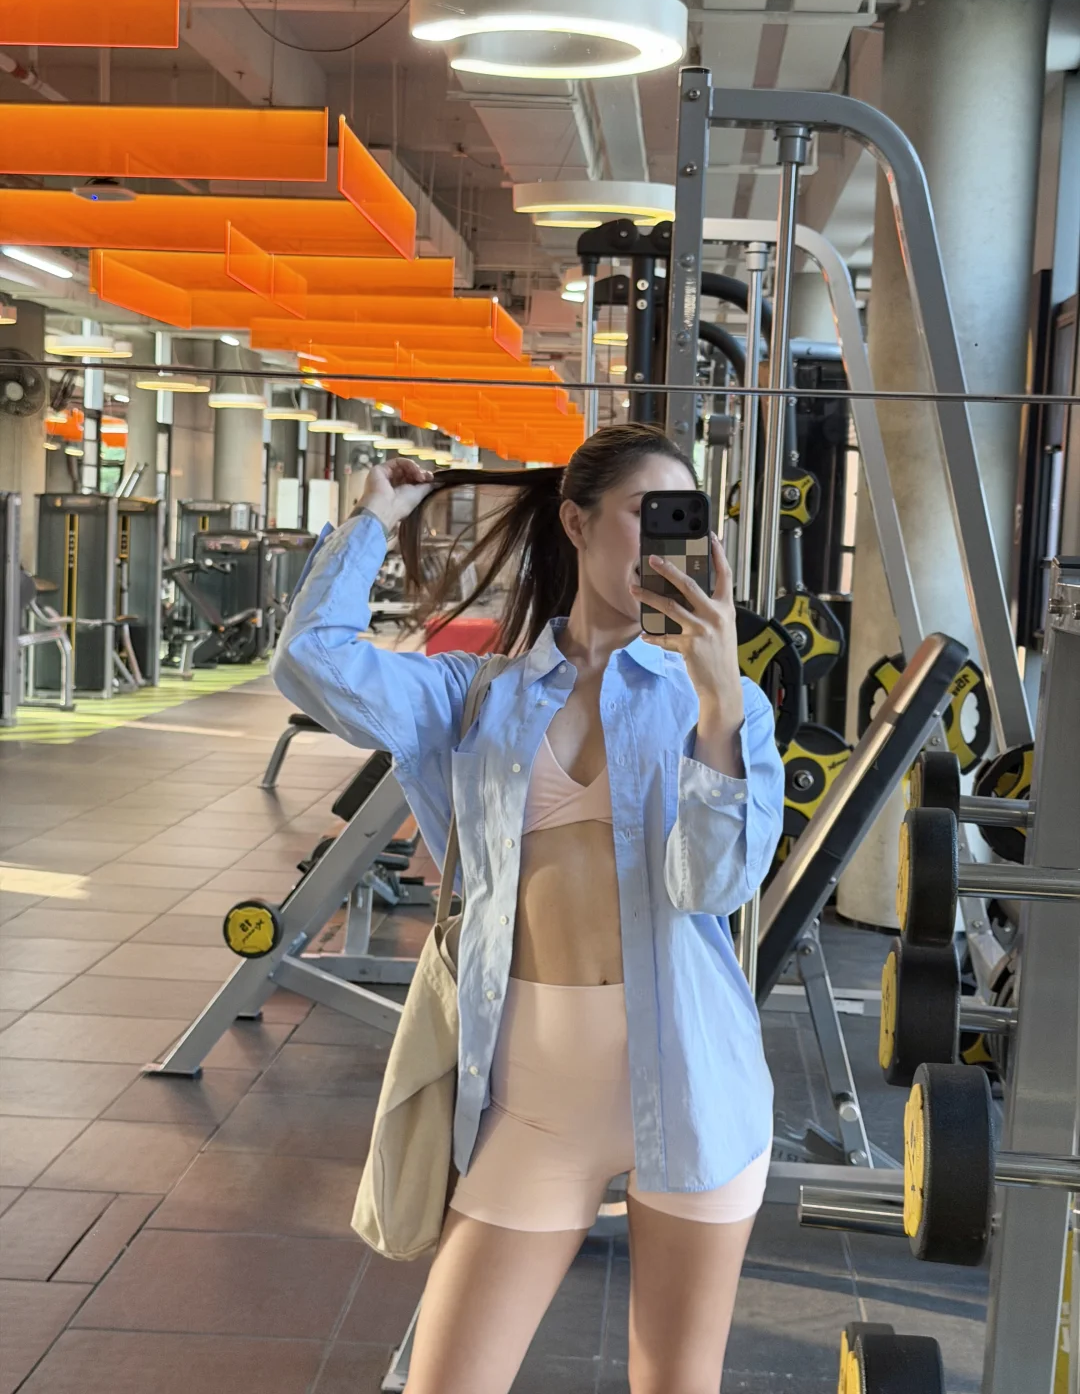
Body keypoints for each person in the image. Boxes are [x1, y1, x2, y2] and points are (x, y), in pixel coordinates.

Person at [272, 424, 785, 1394]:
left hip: (694, 1086)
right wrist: (371, 523)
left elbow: (714, 889)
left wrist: (719, 703)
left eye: (683, 521)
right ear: (576, 524)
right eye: (645, 515)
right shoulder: (480, 696)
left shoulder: (722, 704)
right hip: (533, 1103)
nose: (666, 543)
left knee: (676, 1383)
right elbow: (311, 662)